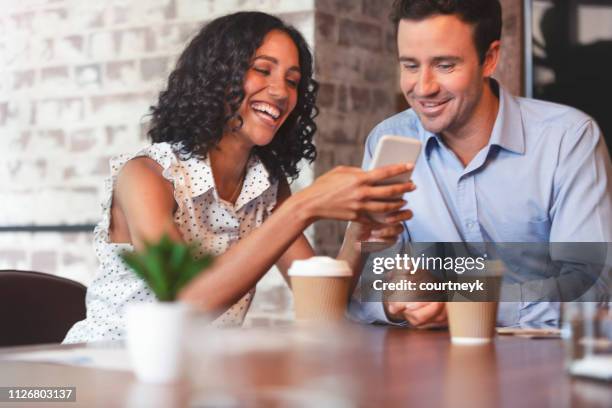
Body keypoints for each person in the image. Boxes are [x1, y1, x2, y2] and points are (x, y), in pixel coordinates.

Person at [63, 12, 414, 343]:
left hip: (196, 379)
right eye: (262, 70)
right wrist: (305, 206)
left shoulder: (266, 187)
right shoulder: (145, 174)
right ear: (217, 78)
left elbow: (325, 305)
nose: (280, 92)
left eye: (292, 81)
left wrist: (359, 234)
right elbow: (186, 300)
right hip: (106, 369)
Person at [345, 0, 612, 328]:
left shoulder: (569, 139)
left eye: (444, 65)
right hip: (431, 365)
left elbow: (591, 288)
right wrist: (396, 297)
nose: (423, 87)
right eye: (410, 65)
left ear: (489, 59)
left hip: (546, 363)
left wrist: (464, 303)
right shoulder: (387, 139)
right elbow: (369, 286)